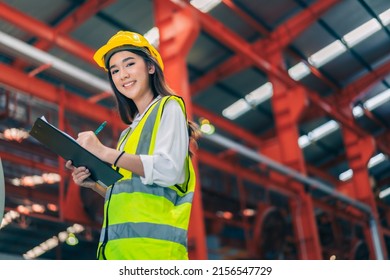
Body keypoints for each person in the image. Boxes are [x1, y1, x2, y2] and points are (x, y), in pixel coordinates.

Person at [65, 31, 200, 260]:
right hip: (119, 254)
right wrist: (94, 185)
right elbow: (132, 195)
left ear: (150, 67)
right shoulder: (129, 133)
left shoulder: (169, 107)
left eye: (129, 64)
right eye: (115, 70)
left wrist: (102, 152)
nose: (122, 75)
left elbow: (169, 170)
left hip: (155, 256)